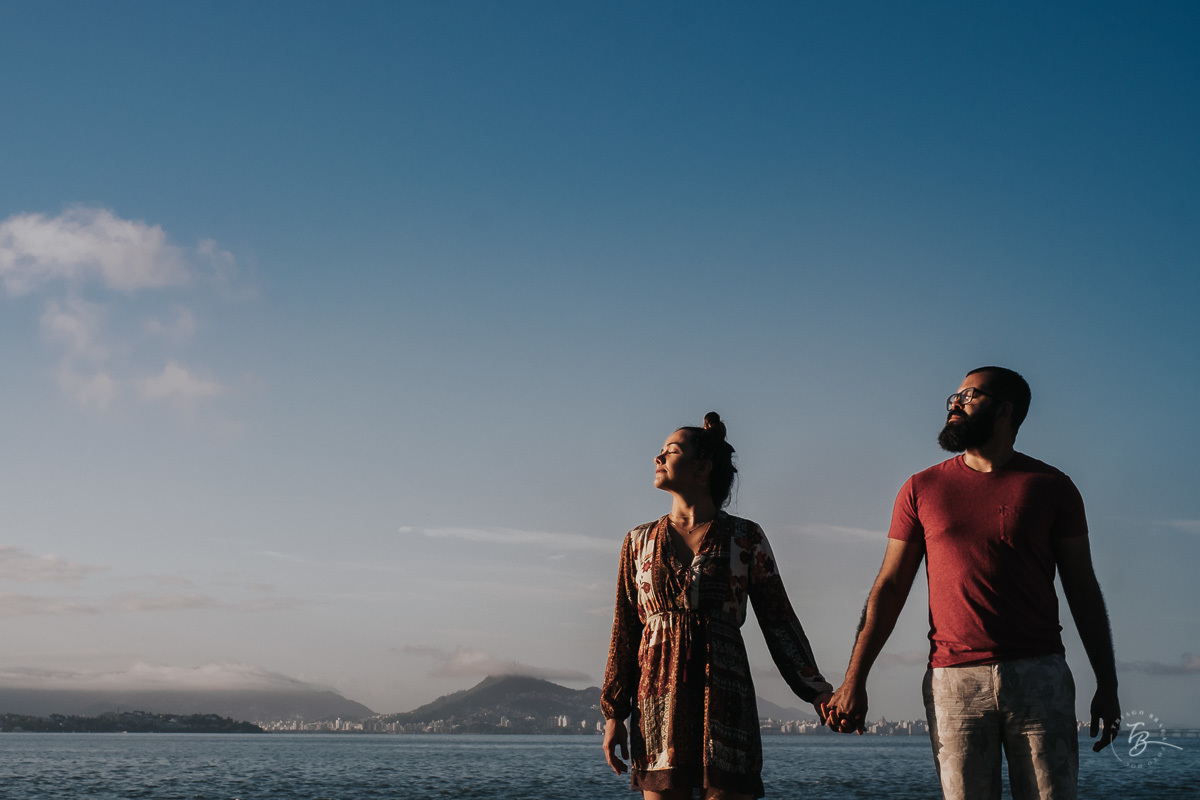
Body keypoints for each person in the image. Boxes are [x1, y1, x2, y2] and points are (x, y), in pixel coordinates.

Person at [824, 367, 1121, 800]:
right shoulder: (921, 489)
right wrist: (854, 679)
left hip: (1040, 676)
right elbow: (889, 588)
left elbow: (1083, 590)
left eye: (969, 396)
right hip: (953, 682)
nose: (954, 403)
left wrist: (1108, 685)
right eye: (954, 396)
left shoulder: (1053, 488)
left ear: (1005, 411)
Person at [602, 412, 833, 800]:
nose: (657, 459)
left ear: (703, 467)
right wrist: (614, 714)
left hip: (724, 697)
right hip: (657, 701)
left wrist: (816, 691)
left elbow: (779, 621)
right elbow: (625, 632)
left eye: (670, 451)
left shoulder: (745, 537)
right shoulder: (637, 541)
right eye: (659, 452)